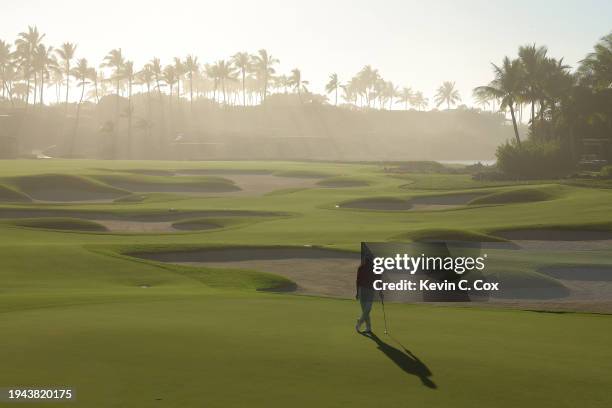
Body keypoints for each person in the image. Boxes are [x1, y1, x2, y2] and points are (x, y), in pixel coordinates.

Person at [355, 253, 376, 334]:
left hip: (371, 290)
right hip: (362, 290)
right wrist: (357, 292)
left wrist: (380, 291)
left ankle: (359, 322)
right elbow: (358, 281)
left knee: (367, 309)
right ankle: (368, 328)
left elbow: (378, 280)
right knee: (365, 310)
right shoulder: (361, 268)